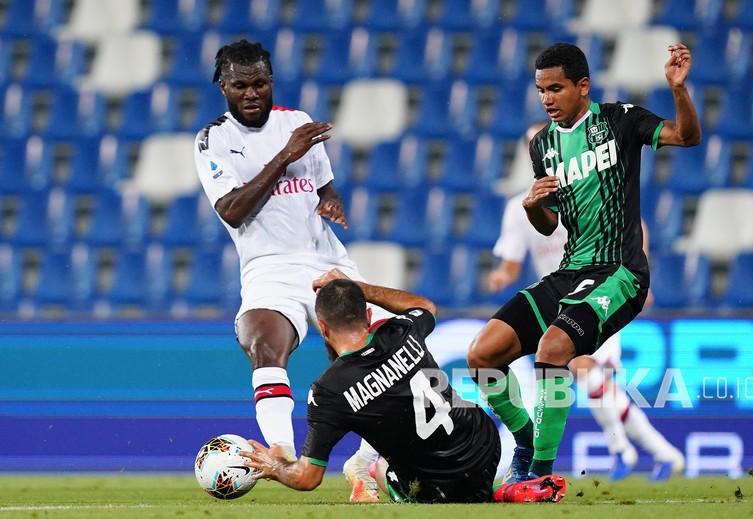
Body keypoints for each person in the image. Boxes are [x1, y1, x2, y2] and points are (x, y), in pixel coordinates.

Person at [467, 42, 701, 483]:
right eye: (541, 90)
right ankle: (524, 439)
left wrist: (678, 90)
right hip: (570, 271)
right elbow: (547, 224)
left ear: (583, 86)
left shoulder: (620, 120)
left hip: (620, 271)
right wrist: (533, 206)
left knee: (554, 351)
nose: (547, 98)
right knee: (482, 354)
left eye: (555, 88)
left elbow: (686, 136)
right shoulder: (542, 146)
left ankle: (539, 474)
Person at [192, 39, 382, 501]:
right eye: (241, 85)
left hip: (325, 258)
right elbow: (233, 210)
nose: (252, 93)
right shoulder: (213, 140)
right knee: (261, 339)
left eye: (260, 82)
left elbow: (323, 185)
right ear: (223, 86)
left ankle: (368, 461)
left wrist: (331, 200)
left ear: (271, 80)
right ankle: (281, 451)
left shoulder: (296, 122)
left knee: (369, 358)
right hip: (268, 267)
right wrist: (283, 157)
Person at [240, 269, 567, 503]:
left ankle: (505, 495)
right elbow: (425, 305)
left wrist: (275, 467)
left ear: (322, 328)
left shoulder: (329, 391)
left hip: (439, 485)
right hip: (484, 442)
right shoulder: (402, 331)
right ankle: (511, 481)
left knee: (378, 467)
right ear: (368, 315)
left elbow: (307, 478)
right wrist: (361, 286)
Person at [490, 153, 684, 480]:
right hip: (556, 303)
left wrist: (640, 268)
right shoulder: (518, 208)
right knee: (596, 381)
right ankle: (659, 453)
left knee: (584, 370)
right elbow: (510, 264)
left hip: (600, 293)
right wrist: (501, 276)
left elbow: (635, 225)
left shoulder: (587, 189)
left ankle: (626, 451)